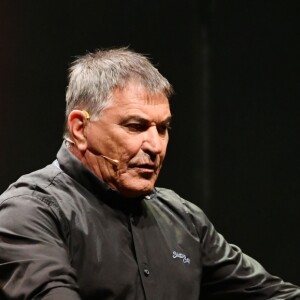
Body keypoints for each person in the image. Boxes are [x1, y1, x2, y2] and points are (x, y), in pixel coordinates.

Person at [0, 48, 299, 300]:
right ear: (80, 128)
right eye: (135, 126)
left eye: (163, 128)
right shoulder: (28, 212)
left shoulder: (183, 220)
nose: (155, 146)